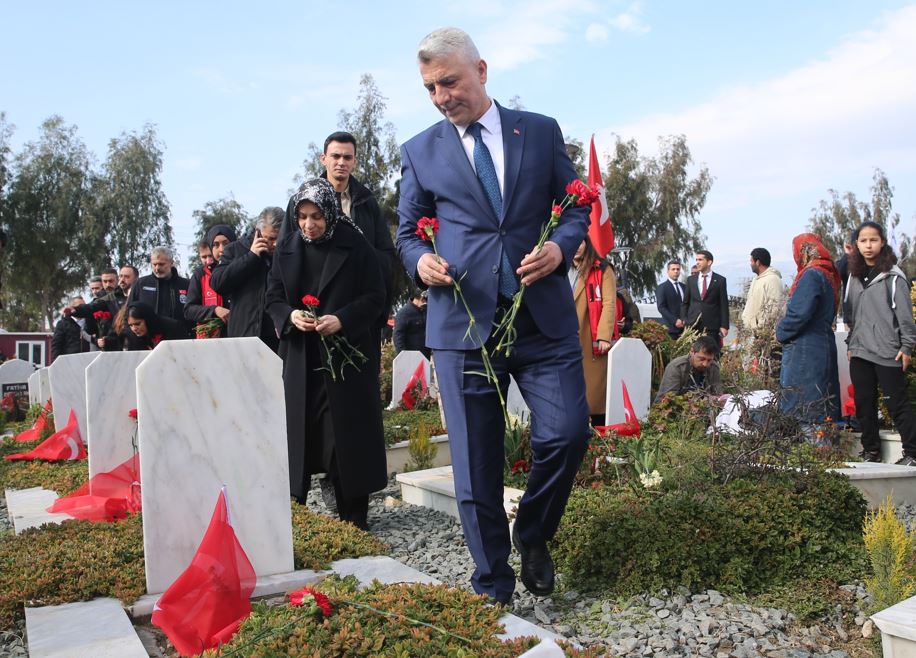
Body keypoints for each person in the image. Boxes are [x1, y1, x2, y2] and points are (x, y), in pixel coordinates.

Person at [396, 27, 590, 604]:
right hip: (461, 326)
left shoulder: (541, 131)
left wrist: (562, 248)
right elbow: (407, 233)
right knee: (476, 467)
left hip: (541, 320)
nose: (440, 96)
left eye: (449, 81)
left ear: (481, 71)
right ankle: (493, 587)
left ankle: (533, 531)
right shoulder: (419, 150)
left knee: (567, 435)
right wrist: (421, 261)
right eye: (430, 88)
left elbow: (576, 204)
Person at [265, 178, 387, 530]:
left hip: (345, 361)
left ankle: (354, 519)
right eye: (302, 216)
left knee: (345, 442)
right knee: (300, 441)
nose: (309, 224)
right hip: (302, 361)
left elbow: (375, 297)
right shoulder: (286, 249)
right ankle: (296, 519)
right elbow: (272, 298)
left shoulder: (355, 245)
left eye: (316, 215)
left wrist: (342, 320)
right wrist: (289, 315)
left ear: (330, 213)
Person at [287, 131, 397, 363]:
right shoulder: (301, 201)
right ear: (323, 158)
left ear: (355, 161)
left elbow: (386, 255)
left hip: (357, 316)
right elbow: (286, 257)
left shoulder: (367, 203)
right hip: (312, 316)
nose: (341, 162)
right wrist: (290, 314)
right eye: (335, 156)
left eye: (348, 157)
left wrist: (359, 260)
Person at [844, 221, 916, 464]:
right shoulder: (854, 276)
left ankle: (913, 453)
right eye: (863, 241)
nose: (868, 245)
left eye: (873, 240)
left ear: (882, 242)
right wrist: (851, 345)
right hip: (860, 351)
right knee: (864, 403)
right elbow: (851, 315)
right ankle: (871, 451)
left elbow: (905, 317)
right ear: (856, 245)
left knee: (897, 404)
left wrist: (906, 347)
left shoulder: (894, 277)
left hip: (888, 351)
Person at [775, 233, 841, 429]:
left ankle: (808, 456)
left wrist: (781, 332)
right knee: (821, 405)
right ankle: (823, 455)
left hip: (805, 349)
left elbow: (799, 314)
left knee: (803, 409)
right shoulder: (829, 274)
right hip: (822, 344)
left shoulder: (811, 274)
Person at [211, 207, 282, 351]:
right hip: (244, 336)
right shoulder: (235, 249)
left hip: (277, 340)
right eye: (270, 238)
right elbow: (217, 283)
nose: (275, 244)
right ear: (258, 232)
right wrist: (251, 256)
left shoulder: (287, 252)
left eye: (279, 238)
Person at [572, 239, 617, 426]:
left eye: (580, 241)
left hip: (590, 336)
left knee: (594, 394)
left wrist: (604, 335)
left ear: (587, 242)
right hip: (560, 335)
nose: (576, 245)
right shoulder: (557, 266)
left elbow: (609, 303)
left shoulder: (602, 269)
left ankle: (598, 440)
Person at [127, 246, 191, 335]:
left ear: (171, 263)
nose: (157, 268)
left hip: (178, 337)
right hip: (148, 339)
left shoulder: (186, 284)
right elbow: (128, 311)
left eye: (161, 264)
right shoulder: (141, 284)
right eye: (154, 264)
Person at [185, 226, 235, 336]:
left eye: (226, 243)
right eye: (215, 245)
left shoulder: (244, 268)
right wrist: (214, 310)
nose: (221, 249)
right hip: (210, 340)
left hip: (240, 336)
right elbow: (189, 310)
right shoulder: (200, 274)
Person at [654, 335, 723, 402]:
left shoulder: (714, 368)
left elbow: (718, 393)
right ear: (692, 352)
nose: (705, 364)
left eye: (709, 360)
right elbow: (667, 398)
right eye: (702, 359)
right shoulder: (677, 367)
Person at [682, 249, 729, 343]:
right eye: (696, 260)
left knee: (711, 354)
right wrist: (684, 319)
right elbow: (685, 302)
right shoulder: (691, 280)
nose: (697, 262)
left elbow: (723, 305)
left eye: (700, 260)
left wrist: (724, 326)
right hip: (692, 326)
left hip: (711, 327)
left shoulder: (720, 280)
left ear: (709, 262)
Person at [741, 248, 786, 334]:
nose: (750, 264)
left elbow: (775, 308)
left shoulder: (773, 280)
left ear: (758, 262)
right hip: (751, 332)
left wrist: (760, 326)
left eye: (751, 261)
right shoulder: (756, 280)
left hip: (763, 333)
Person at [122, 301, 187, 351]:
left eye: (137, 324)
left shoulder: (172, 327)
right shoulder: (131, 336)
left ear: (148, 319)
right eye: (130, 325)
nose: (134, 329)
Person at [393, 291, 429, 357]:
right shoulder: (404, 313)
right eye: (425, 300)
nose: (426, 303)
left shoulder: (425, 311)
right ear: (421, 298)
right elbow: (398, 336)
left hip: (425, 354)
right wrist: (403, 355)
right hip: (410, 355)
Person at [656, 260, 686, 339]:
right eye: (673, 269)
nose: (676, 271)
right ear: (668, 271)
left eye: (678, 269)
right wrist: (675, 320)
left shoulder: (684, 287)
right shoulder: (662, 288)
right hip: (670, 329)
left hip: (685, 329)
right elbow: (661, 307)